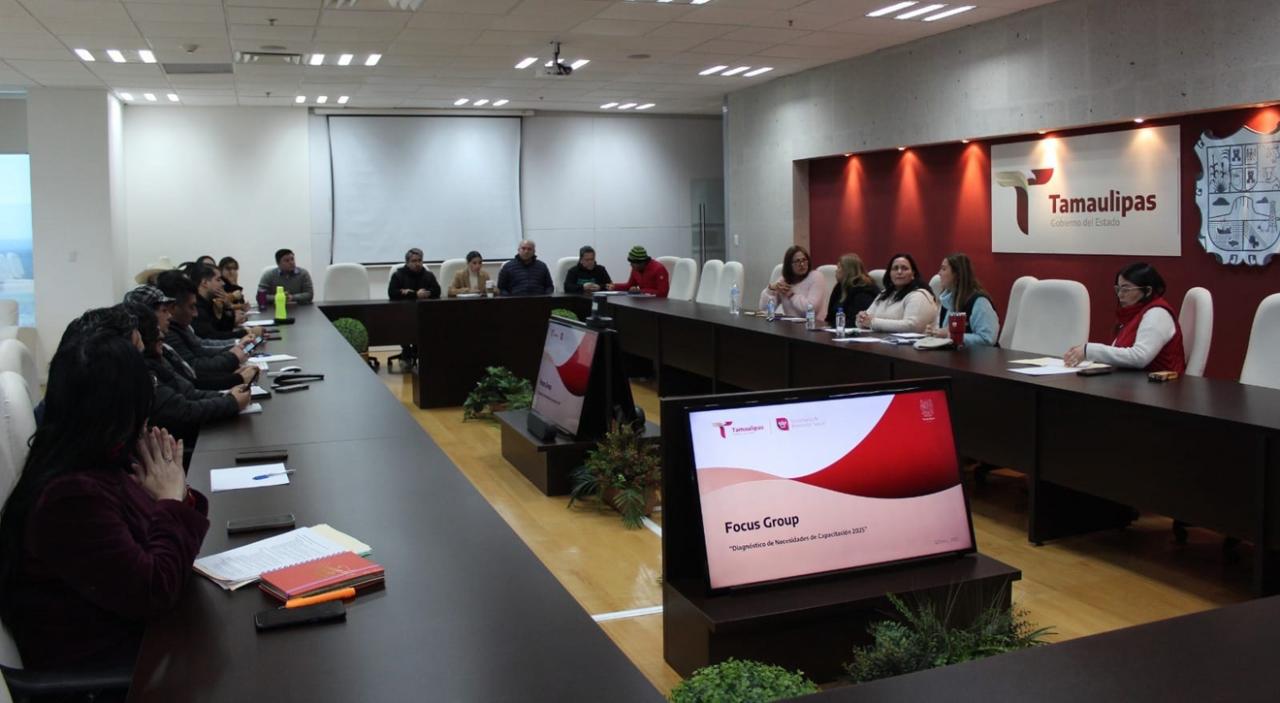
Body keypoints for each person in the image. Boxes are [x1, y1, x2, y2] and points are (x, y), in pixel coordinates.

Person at [0, 323, 209, 672]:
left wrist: (175, 494)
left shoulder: (93, 461)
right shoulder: (68, 497)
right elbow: (154, 590)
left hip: (143, 642)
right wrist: (171, 501)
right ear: (120, 410)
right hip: (116, 674)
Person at [126, 284, 257, 391]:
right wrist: (235, 377)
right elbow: (192, 380)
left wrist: (233, 369)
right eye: (164, 310)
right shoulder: (163, 341)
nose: (169, 315)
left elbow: (191, 375)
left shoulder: (165, 339)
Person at [1064, 262, 1186, 372]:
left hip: (1160, 386)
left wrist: (1089, 350)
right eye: (1118, 289)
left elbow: (1140, 357)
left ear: (1148, 291)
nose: (1120, 295)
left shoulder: (1157, 313)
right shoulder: (1133, 314)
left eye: (1126, 289)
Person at [157, 272, 249, 375]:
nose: (195, 314)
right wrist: (233, 356)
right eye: (218, 280)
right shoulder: (168, 333)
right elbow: (194, 368)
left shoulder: (182, 324)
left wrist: (236, 346)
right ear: (173, 308)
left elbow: (201, 347)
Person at [926, 253, 1000, 347]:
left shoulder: (979, 302)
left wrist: (951, 336)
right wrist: (934, 332)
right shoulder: (946, 301)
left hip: (978, 355)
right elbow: (945, 332)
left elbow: (987, 339)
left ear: (957, 274)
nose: (939, 273)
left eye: (944, 269)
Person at [857, 253, 938, 333]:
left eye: (904, 268)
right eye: (895, 268)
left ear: (913, 273)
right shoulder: (884, 294)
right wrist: (861, 319)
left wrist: (873, 322)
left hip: (911, 341)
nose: (899, 272)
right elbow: (867, 319)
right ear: (889, 273)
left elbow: (912, 326)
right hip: (880, 340)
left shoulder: (919, 295)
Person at [759, 245, 826, 320]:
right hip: (789, 325)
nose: (802, 264)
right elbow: (765, 310)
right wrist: (771, 290)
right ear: (789, 265)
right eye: (797, 261)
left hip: (813, 324)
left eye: (804, 260)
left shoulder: (816, 277)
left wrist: (792, 295)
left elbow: (811, 309)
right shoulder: (784, 281)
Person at [825, 253, 878, 325]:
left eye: (839, 268)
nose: (836, 271)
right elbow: (830, 317)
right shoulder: (839, 287)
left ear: (847, 271)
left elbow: (855, 321)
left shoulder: (863, 291)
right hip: (836, 328)